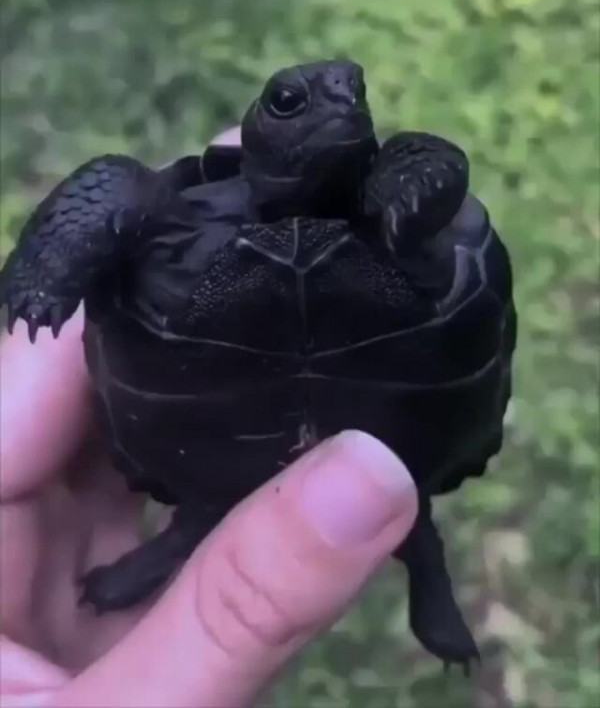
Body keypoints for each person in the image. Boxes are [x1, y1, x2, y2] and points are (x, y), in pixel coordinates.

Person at [0, 128, 418, 708]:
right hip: (203, 426)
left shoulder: (382, 190)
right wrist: (45, 272)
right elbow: (115, 189)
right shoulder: (176, 210)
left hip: (376, 384)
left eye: (350, 96)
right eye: (292, 103)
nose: (334, 105)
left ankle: (188, 536)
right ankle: (184, 536)